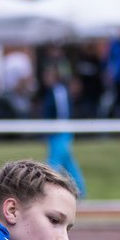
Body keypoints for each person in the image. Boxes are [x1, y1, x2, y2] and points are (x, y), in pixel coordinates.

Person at [40, 66, 87, 197]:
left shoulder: (58, 91)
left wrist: (56, 128)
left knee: (53, 163)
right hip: (57, 131)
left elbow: (62, 112)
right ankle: (81, 190)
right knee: (68, 163)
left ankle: (45, 189)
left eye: (47, 75)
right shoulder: (53, 91)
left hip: (60, 131)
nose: (45, 78)